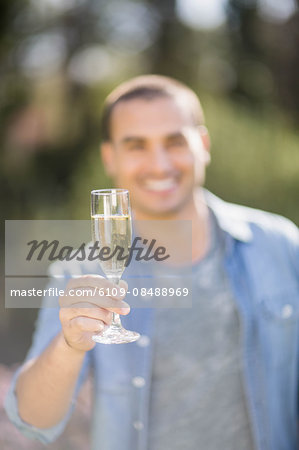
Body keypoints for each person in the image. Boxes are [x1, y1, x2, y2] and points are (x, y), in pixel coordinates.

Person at [5, 75, 299, 450]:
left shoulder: (280, 244)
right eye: (137, 145)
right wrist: (69, 344)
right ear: (110, 157)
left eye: (174, 141)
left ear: (203, 145)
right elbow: (32, 421)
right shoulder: (80, 273)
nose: (159, 165)